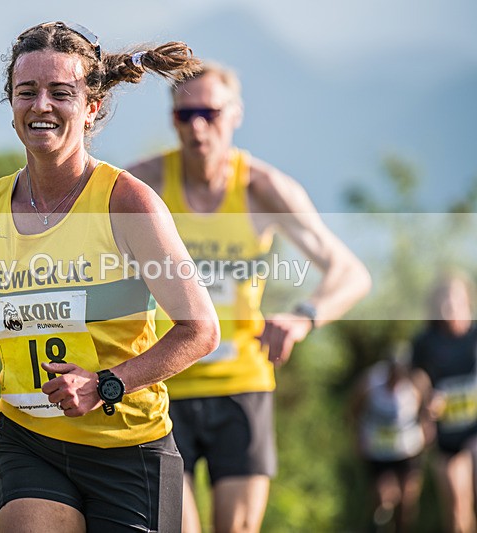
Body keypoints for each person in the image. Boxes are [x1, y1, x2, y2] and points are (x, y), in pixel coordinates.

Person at [0, 22, 221, 533]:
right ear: (12, 103)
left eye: (60, 93)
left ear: (90, 108)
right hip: (29, 442)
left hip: (129, 448)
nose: (41, 105)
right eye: (27, 92)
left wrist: (107, 384)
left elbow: (199, 328)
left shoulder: (127, 203)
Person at [127, 61, 372, 533]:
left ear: (235, 113)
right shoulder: (144, 187)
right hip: (162, 382)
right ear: (172, 118)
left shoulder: (262, 189)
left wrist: (303, 318)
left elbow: (350, 273)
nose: (198, 126)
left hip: (242, 386)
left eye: (210, 113)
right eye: (185, 115)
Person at [412, 273, 477, 533]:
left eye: (456, 298)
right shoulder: (425, 341)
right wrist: (426, 399)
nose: (450, 305)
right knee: (456, 510)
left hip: (475, 429)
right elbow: (416, 377)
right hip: (446, 434)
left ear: (467, 300)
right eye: (444, 299)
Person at [350, 345, 435, 532]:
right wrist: (358, 436)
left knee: (407, 500)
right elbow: (354, 410)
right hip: (377, 450)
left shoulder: (417, 382)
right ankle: (379, 524)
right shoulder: (370, 382)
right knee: (384, 496)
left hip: (408, 449)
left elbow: (428, 408)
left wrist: (427, 426)